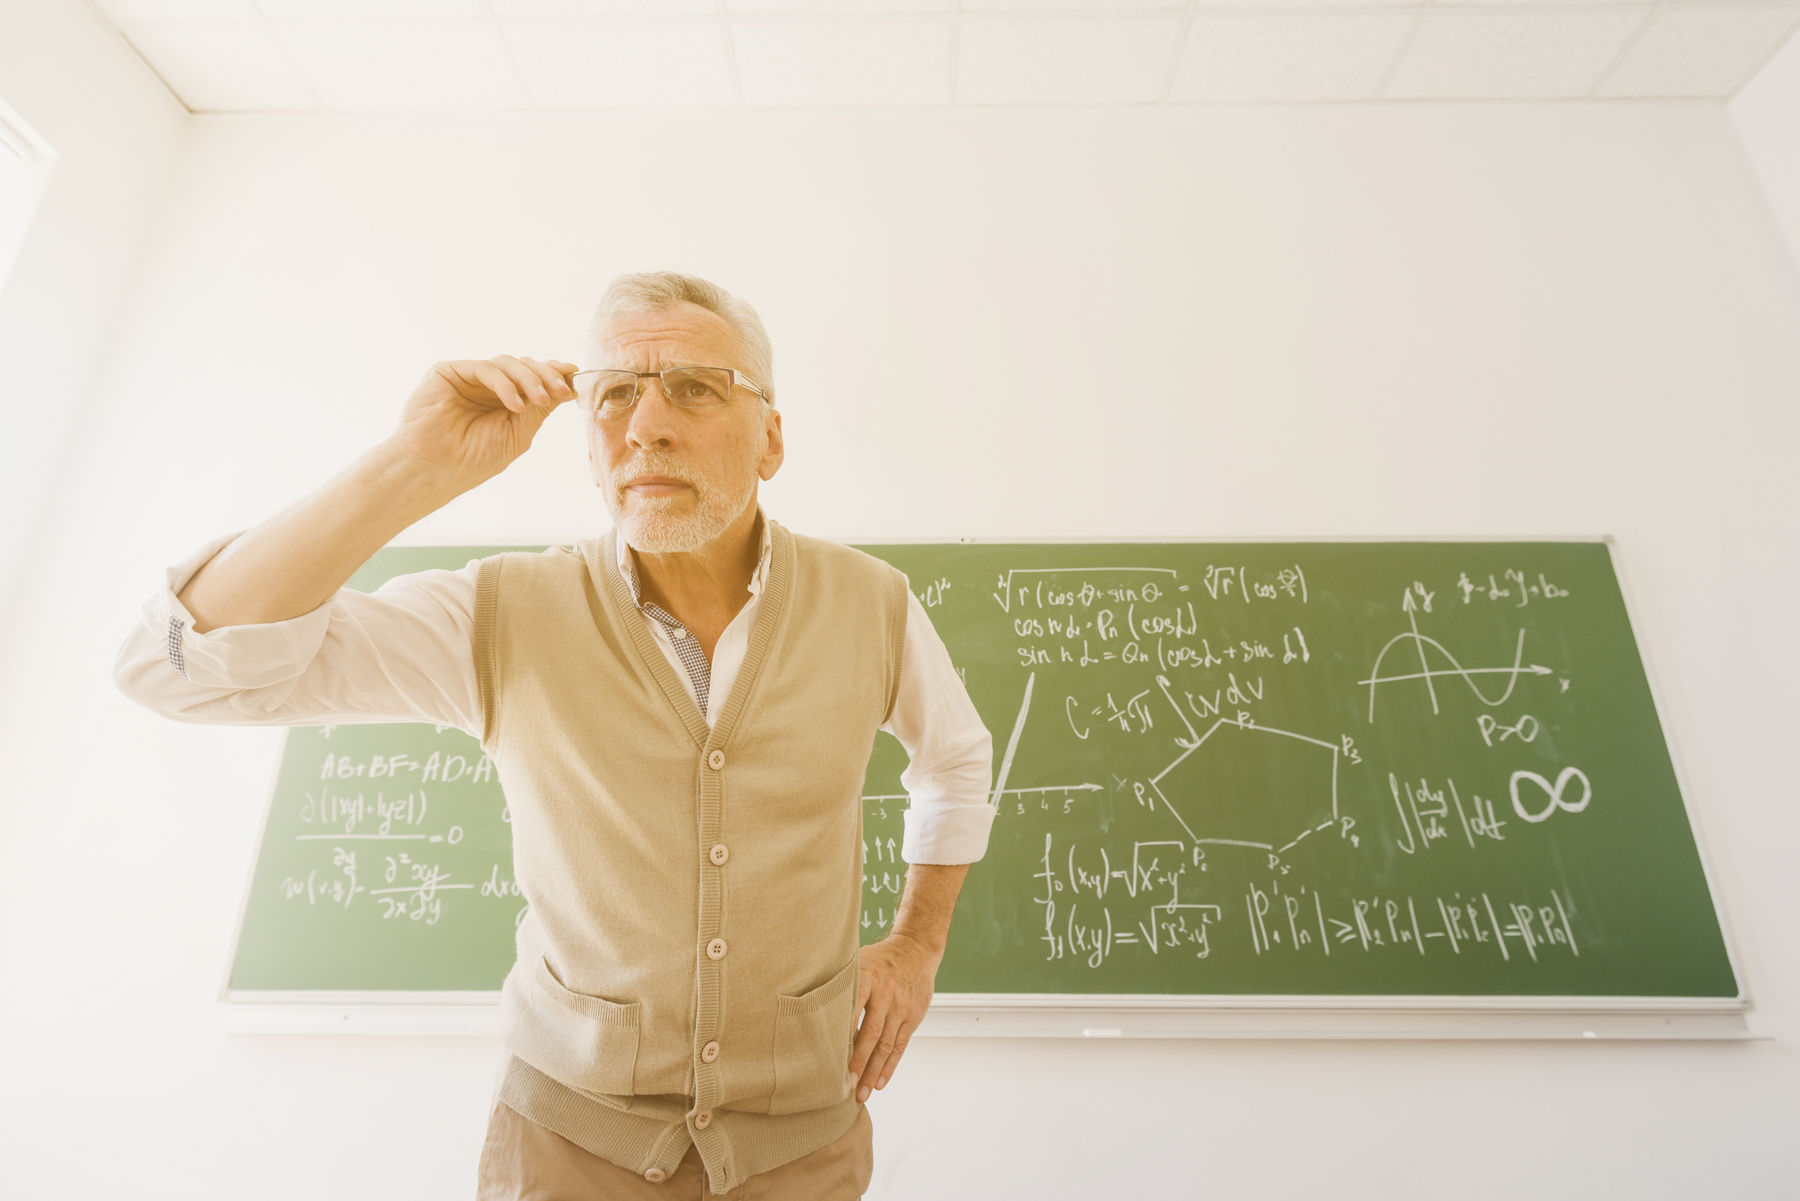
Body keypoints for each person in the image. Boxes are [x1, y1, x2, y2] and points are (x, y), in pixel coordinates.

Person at [114, 272, 994, 1199]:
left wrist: (916, 946)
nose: (647, 424)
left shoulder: (873, 603)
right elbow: (174, 668)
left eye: (695, 387)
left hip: (804, 1147)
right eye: (615, 394)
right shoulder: (497, 613)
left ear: (771, 436)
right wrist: (415, 464)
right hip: (567, 1149)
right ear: (587, 440)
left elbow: (956, 759)